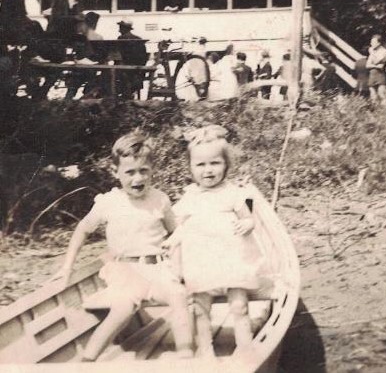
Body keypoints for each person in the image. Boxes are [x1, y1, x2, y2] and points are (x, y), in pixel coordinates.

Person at [52, 131, 193, 362]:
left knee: (179, 295)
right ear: (115, 171)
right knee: (123, 307)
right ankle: (88, 359)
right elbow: (83, 230)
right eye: (129, 172)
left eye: (143, 171)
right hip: (124, 271)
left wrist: (180, 262)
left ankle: (187, 356)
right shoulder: (109, 202)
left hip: (158, 269)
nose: (137, 179)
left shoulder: (160, 199)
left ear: (152, 170)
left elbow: (175, 231)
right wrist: (67, 267)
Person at [170, 125, 271, 358]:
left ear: (226, 165)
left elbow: (248, 218)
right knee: (200, 307)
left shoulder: (232, 193)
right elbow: (177, 224)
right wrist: (173, 240)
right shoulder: (190, 196)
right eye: (200, 165)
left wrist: (247, 224)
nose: (208, 170)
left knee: (239, 305)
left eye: (215, 163)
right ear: (190, 168)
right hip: (201, 261)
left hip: (231, 258)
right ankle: (205, 348)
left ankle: (244, 346)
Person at [116, 20, 147, 99]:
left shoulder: (121, 39)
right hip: (138, 70)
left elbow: (118, 56)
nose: (119, 30)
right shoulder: (139, 39)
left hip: (126, 71)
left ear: (124, 29)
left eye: (120, 28)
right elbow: (144, 58)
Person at [366, 34, 386, 106]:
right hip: (372, 74)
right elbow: (367, 65)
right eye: (371, 42)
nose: (371, 44)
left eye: (373, 42)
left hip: (380, 74)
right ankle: (376, 112)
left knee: (381, 94)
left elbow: (376, 61)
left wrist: (372, 53)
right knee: (373, 95)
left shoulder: (384, 51)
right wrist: (376, 66)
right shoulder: (373, 52)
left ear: (379, 43)